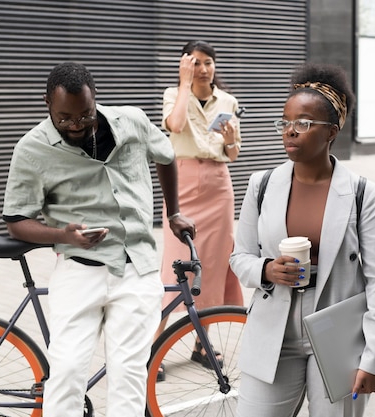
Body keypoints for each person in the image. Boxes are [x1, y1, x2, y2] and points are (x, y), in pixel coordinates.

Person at [1, 61, 195, 417]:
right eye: (64, 118)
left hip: (136, 268)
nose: (76, 125)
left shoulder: (132, 121)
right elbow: (16, 220)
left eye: (84, 115)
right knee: (67, 373)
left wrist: (173, 212)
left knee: (129, 376)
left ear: (95, 100)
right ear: (47, 103)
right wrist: (64, 236)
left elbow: (165, 155)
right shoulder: (31, 149)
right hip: (78, 271)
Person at [230, 62, 375, 417]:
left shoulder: (361, 192)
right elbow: (239, 256)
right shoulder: (261, 185)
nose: (290, 131)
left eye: (304, 123)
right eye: (285, 122)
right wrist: (266, 269)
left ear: (332, 131)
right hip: (274, 329)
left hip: (340, 332)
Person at [157, 40, 244, 371]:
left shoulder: (228, 101)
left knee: (210, 264)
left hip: (218, 186)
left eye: (208, 62)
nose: (203, 68)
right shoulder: (173, 93)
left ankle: (202, 345)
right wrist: (183, 84)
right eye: (195, 62)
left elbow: (232, 154)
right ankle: (154, 346)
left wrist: (230, 137)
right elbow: (175, 126)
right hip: (183, 182)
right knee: (174, 266)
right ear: (184, 65)